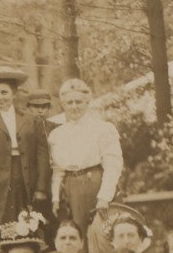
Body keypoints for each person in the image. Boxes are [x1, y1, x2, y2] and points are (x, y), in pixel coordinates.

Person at [0, 66, 52, 227]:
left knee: (30, 220)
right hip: (0, 180)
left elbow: (42, 154)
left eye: (4, 92)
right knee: (3, 221)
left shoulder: (32, 120)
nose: (1, 97)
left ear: (13, 93)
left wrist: (41, 187)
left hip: (27, 177)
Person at [47, 79, 123, 236]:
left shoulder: (102, 128)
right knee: (75, 234)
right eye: (69, 102)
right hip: (69, 188)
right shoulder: (57, 134)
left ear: (88, 102)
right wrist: (55, 198)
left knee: (101, 233)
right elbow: (57, 170)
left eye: (78, 102)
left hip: (94, 183)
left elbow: (113, 165)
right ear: (63, 105)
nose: (74, 106)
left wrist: (104, 197)